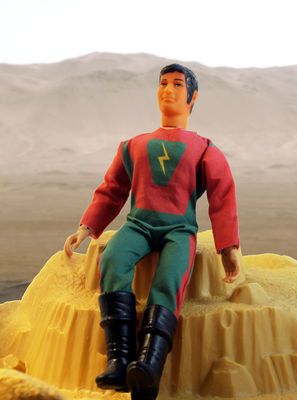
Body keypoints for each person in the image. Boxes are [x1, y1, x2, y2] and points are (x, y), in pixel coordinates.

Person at [64, 63, 240, 400]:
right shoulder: (133, 145)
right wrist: (86, 228)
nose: (168, 90)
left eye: (177, 84)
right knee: (112, 259)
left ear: (193, 97)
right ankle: (119, 359)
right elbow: (111, 190)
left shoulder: (206, 149)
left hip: (179, 230)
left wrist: (227, 247)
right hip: (138, 225)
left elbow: (223, 197)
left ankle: (150, 365)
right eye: (163, 83)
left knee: (169, 280)